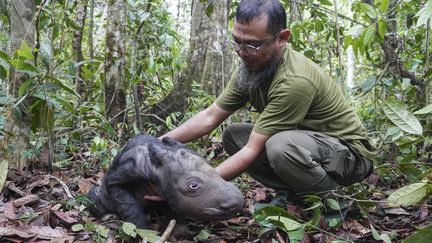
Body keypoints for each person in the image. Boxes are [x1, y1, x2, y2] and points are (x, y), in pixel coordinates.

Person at [162, 0, 376, 199]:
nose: (242, 52)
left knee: (279, 146)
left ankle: (332, 201)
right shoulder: (251, 67)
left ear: (282, 38)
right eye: (237, 42)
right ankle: (294, 195)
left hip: (350, 154)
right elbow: (209, 117)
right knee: (233, 135)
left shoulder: (294, 80)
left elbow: (251, 150)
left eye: (253, 45)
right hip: (306, 145)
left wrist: (192, 189)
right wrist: (155, 145)